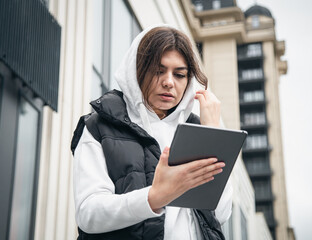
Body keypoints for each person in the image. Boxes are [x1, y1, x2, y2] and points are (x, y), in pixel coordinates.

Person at [71, 25, 232, 240]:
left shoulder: (198, 128)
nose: (168, 82)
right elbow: (88, 214)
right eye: (158, 71)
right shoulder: (100, 126)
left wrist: (213, 134)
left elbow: (220, 214)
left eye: (180, 74)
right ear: (137, 70)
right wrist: (153, 197)